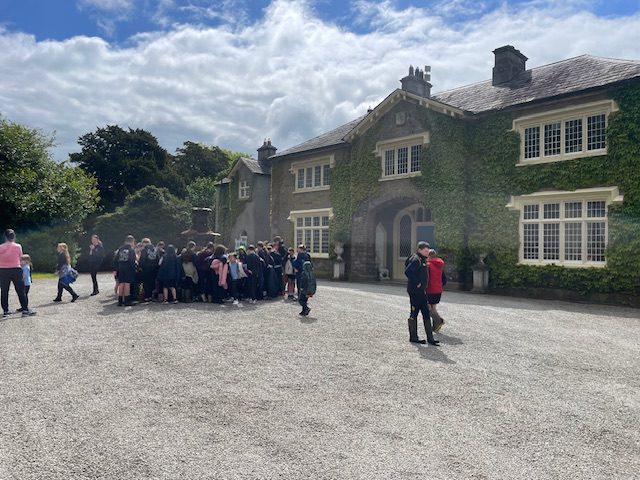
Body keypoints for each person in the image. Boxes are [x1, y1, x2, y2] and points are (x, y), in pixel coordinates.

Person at [404, 241, 438, 346]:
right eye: (425, 251)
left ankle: (430, 338)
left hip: (422, 291)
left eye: (428, 251)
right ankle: (413, 337)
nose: (427, 253)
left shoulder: (422, 259)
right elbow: (408, 271)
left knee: (426, 312)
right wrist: (417, 282)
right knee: (414, 313)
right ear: (419, 250)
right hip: (415, 291)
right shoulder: (416, 259)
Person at [0, 229, 34, 317]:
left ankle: (6, 310)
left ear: (5, 237)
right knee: (20, 290)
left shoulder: (1, 247)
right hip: (16, 269)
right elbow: (20, 257)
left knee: (4, 291)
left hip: (3, 270)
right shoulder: (18, 246)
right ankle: (25, 309)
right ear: (14, 236)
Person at [427, 249, 446, 332]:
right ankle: (435, 327)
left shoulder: (428, 265)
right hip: (438, 290)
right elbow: (444, 279)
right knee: (433, 308)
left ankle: (439, 320)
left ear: (429, 256)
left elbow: (426, 278)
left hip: (430, 289)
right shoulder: (440, 265)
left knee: (427, 307)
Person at [115, 235, 137, 307]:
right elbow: (131, 261)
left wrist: (117, 268)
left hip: (120, 268)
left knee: (121, 284)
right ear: (132, 241)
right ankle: (127, 301)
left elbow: (115, 259)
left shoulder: (120, 249)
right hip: (128, 268)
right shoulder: (131, 250)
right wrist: (134, 269)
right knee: (127, 284)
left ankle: (120, 301)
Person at [139, 238, 159, 303]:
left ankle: (147, 297)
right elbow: (158, 259)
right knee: (153, 283)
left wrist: (140, 267)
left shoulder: (144, 250)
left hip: (146, 269)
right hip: (155, 269)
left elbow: (142, 259)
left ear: (144, 243)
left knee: (146, 283)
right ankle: (153, 296)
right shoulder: (155, 250)